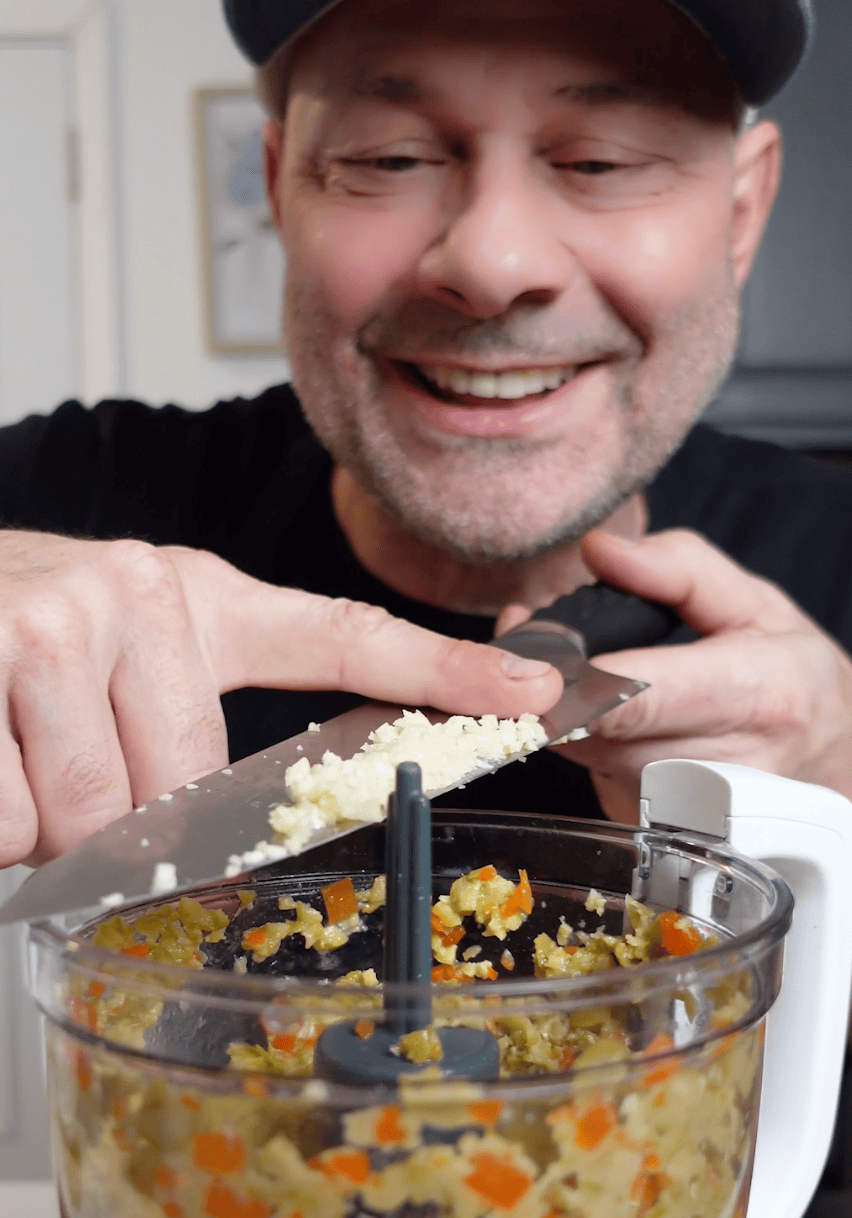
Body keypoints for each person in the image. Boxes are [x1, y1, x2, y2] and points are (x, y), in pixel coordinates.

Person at [0, 0, 850, 871]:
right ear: (279, 189)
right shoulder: (65, 497)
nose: (492, 262)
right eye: (389, 159)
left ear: (743, 214)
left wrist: (840, 787)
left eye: (603, 159)